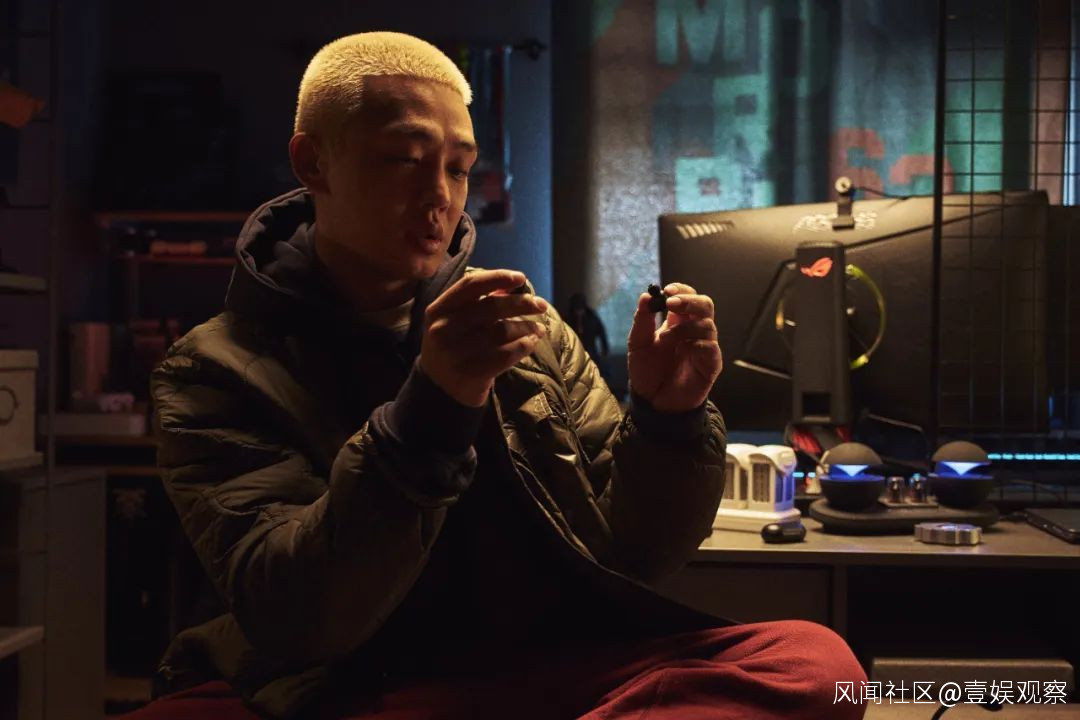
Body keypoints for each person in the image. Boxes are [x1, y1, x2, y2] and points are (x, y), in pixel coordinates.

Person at [128, 32, 866, 720]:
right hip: (357, 686)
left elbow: (639, 557)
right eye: (404, 158)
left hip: (552, 663)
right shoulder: (214, 369)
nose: (441, 196)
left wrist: (668, 418)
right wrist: (430, 410)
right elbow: (300, 619)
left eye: (458, 167)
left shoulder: (528, 329)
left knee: (817, 664)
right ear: (313, 163)